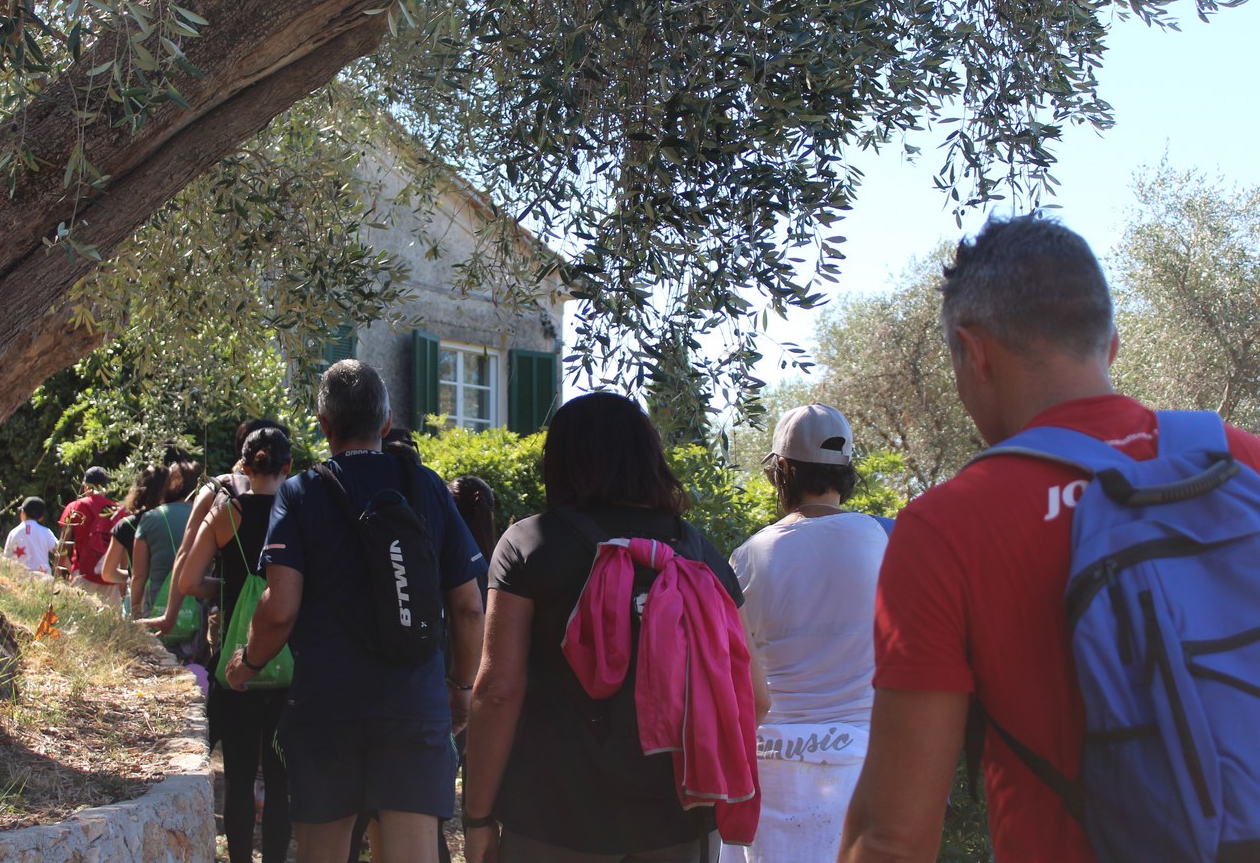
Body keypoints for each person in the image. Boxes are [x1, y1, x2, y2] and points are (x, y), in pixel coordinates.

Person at [837, 215, 1260, 863]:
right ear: (1110, 343)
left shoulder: (947, 527)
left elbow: (894, 838)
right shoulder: (1243, 463)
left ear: (974, 352)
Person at [464, 391, 770, 863]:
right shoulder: (698, 552)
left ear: (560, 461)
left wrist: (477, 816)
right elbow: (755, 696)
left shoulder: (530, 543)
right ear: (650, 458)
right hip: (680, 819)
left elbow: (499, 690)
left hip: (554, 817)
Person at [222, 360, 486, 863]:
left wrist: (247, 664)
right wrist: (460, 686)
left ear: (324, 426)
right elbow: (470, 608)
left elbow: (280, 609)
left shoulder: (300, 492)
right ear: (386, 423)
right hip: (414, 703)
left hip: (327, 707)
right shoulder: (428, 487)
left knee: (321, 852)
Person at [720, 404, 887, 863]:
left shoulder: (748, 556)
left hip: (772, 768)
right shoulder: (885, 543)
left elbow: (737, 670)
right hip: (860, 764)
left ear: (781, 471)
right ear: (846, 471)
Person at [179, 427, 294, 863]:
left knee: (240, 777)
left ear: (244, 467)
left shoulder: (229, 512)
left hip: (235, 661)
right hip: (288, 662)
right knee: (281, 783)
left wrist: (230, 588)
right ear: (288, 466)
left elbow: (188, 581)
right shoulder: (299, 511)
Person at [142, 419, 288, 638]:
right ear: (287, 464)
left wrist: (170, 615)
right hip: (285, 617)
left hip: (228, 611)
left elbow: (186, 553)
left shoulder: (217, 490)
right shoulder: (296, 502)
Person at [129, 459, 201, 618]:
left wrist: (135, 613)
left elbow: (139, 575)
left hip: (158, 602)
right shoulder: (207, 516)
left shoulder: (151, 518)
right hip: (198, 603)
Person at [58, 466, 124, 607]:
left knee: (77, 617)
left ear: (85, 487)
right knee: (110, 619)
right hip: (111, 576)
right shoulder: (118, 511)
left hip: (82, 572)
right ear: (106, 488)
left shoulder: (75, 507)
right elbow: (124, 548)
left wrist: (60, 571)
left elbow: (63, 544)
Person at [100, 464, 170, 598]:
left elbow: (108, 573)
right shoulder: (178, 519)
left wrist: (134, 576)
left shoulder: (126, 525)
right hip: (175, 597)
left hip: (140, 597)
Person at [3, 496, 58, 576]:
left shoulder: (14, 532)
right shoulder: (47, 532)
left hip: (20, 577)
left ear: (23, 513)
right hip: (43, 577)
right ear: (41, 517)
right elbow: (59, 550)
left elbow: (6, 557)